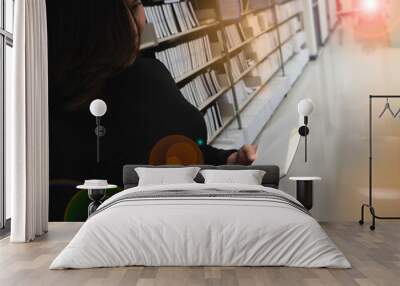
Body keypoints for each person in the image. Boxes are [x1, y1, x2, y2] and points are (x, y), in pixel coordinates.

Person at [47, 0, 257, 188]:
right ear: (109, 22)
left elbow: (180, 146)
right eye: (137, 5)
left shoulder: (149, 72)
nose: (144, 17)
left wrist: (228, 159)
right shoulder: (139, 78)